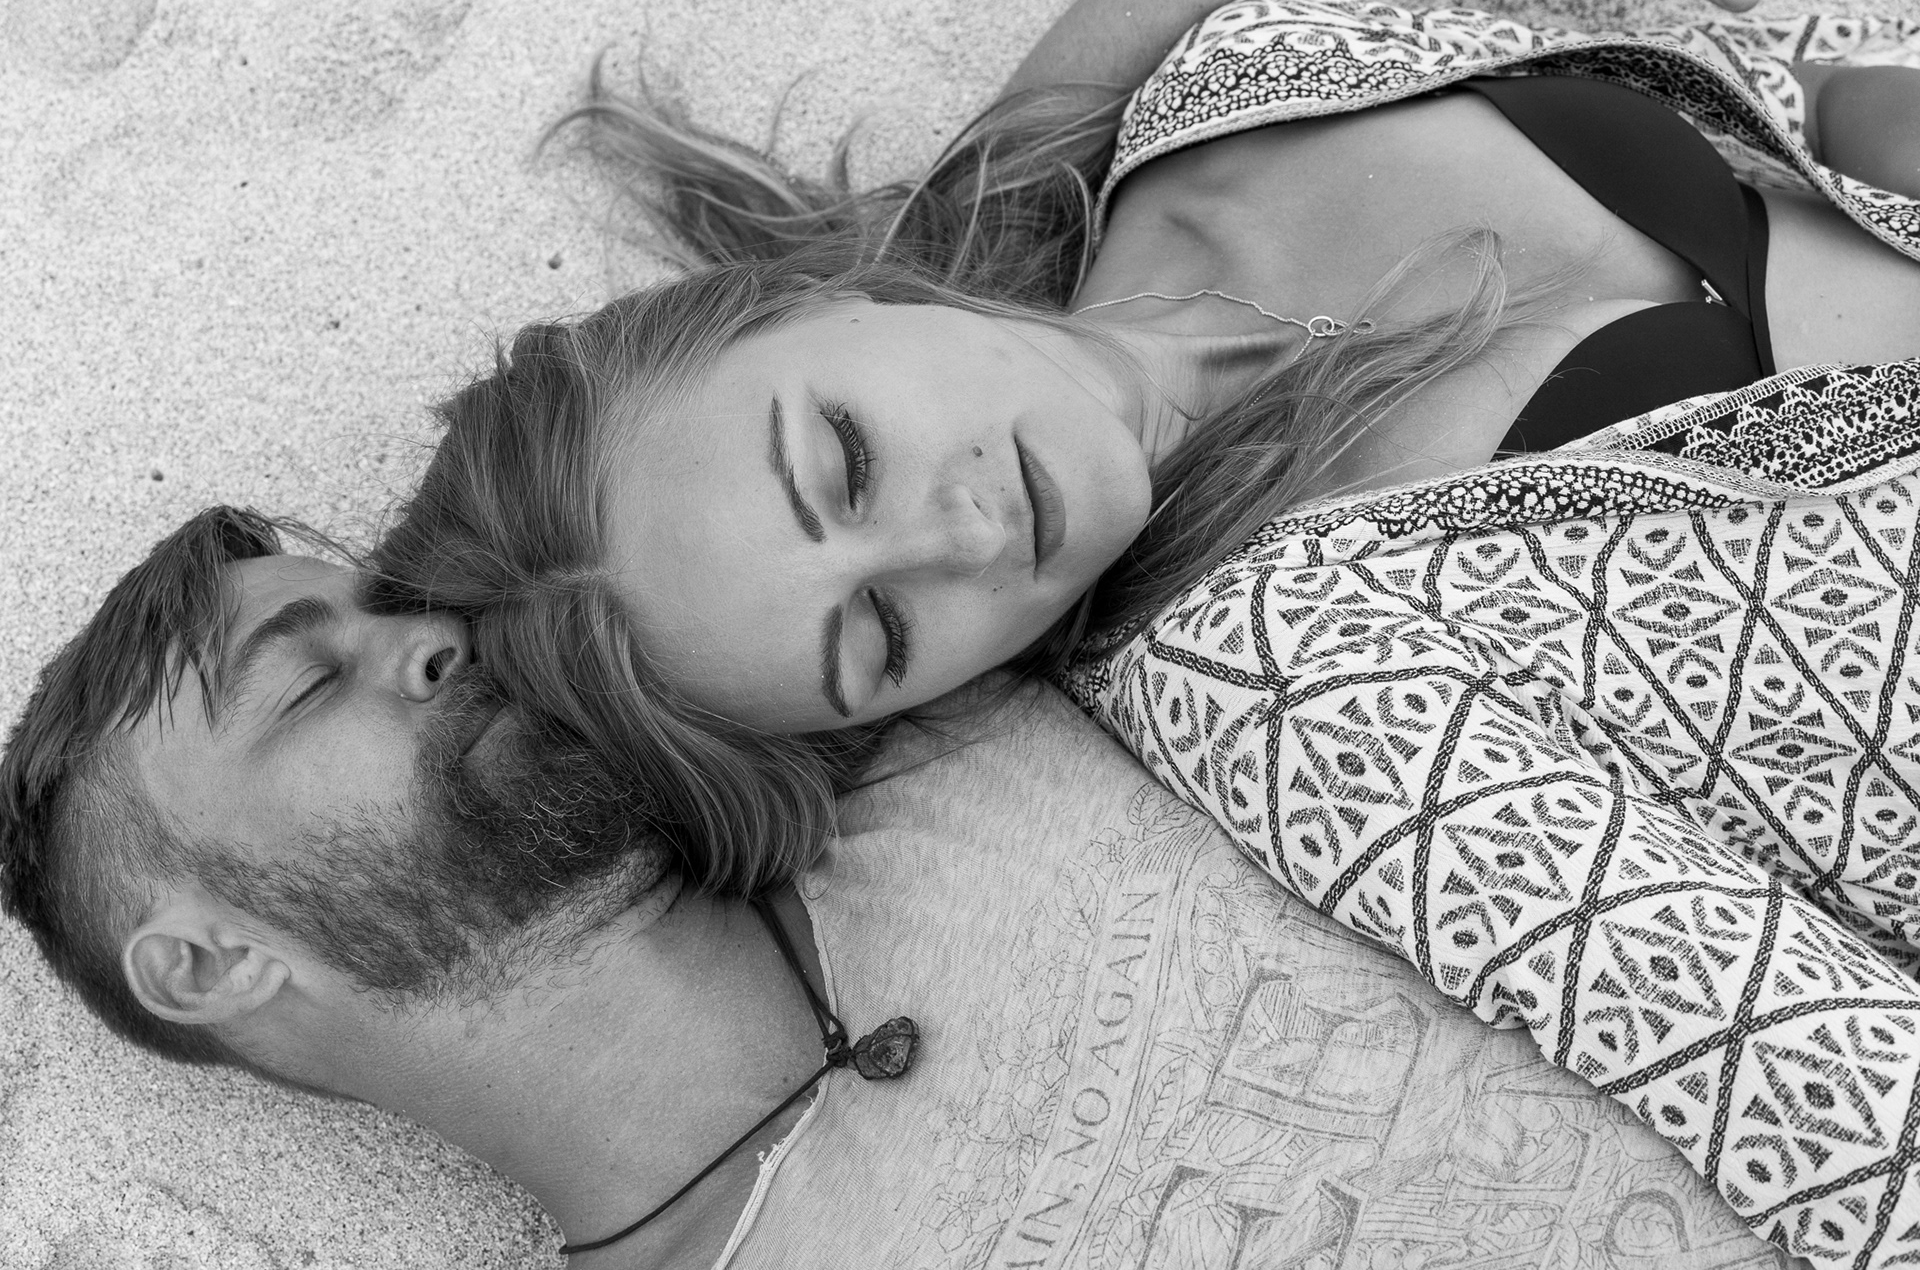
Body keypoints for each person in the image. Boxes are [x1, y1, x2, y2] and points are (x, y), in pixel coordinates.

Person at [361, 0, 1920, 1263]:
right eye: (884, 632)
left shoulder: (1233, 82)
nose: (961, 534)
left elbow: (1753, 79)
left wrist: (1852, 106)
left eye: (843, 458)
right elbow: (1802, 1075)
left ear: (817, 302)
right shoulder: (1282, 686)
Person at [0, 506, 1825, 1268]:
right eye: (305, 682)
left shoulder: (919, 720)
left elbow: (951, 305)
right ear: (204, 959)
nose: (430, 641)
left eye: (392, 606)